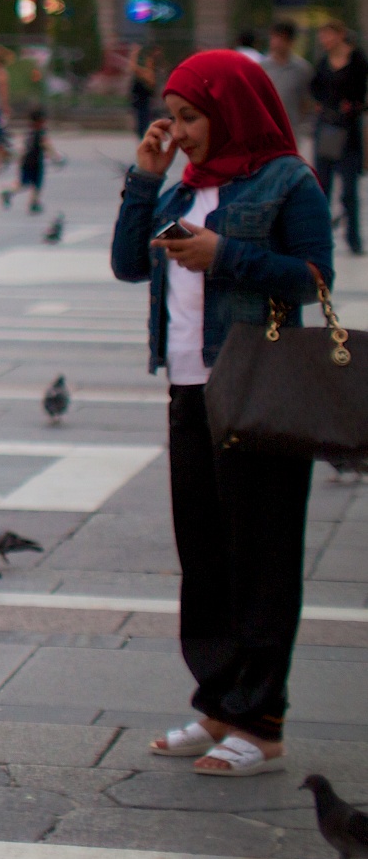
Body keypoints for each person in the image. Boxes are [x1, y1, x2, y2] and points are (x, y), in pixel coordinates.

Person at [110, 50, 332, 777]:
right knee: (202, 554)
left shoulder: (286, 181)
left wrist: (225, 255)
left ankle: (260, 722)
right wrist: (143, 178)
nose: (179, 131)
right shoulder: (180, 190)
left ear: (231, 110)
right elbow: (128, 263)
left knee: (261, 555)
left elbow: (312, 277)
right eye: (172, 118)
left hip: (255, 386)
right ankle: (216, 703)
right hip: (187, 389)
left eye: (190, 118)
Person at [309, 20, 365, 257]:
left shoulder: (357, 61)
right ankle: (319, 239)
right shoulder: (323, 63)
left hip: (348, 129)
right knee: (323, 185)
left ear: (340, 35)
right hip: (327, 127)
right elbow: (315, 88)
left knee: (349, 188)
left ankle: (354, 238)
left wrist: (354, 106)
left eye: (328, 35)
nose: (325, 40)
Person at [259, 20, 316, 154]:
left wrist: (303, 122)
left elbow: (306, 100)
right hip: (266, 128)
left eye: (281, 38)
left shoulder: (302, 69)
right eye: (274, 37)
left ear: (290, 41)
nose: (276, 42)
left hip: (292, 128)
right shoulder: (261, 67)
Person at [16, 106, 58, 214]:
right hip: (36, 162)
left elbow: (24, 148)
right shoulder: (41, 132)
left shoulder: (29, 132)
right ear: (41, 121)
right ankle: (34, 203)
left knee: (24, 184)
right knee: (37, 184)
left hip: (26, 162)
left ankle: (9, 191)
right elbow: (46, 145)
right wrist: (55, 157)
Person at [128, 40, 160, 137]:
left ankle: (144, 137)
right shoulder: (149, 73)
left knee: (143, 122)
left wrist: (134, 53)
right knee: (143, 122)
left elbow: (133, 67)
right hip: (142, 103)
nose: (147, 61)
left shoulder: (148, 74)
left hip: (143, 103)